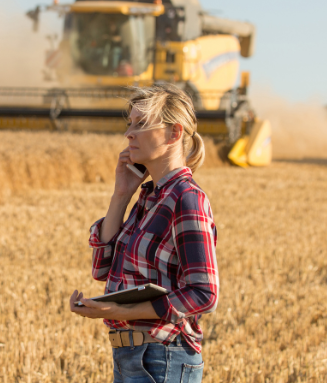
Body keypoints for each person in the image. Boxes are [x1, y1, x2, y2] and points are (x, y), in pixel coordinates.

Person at [69, 83, 218, 383]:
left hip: (164, 357)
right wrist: (122, 194)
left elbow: (205, 293)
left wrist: (121, 310)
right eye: (129, 124)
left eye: (141, 124)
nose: (129, 134)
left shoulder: (187, 199)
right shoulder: (149, 197)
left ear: (174, 133)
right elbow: (102, 268)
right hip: (131, 357)